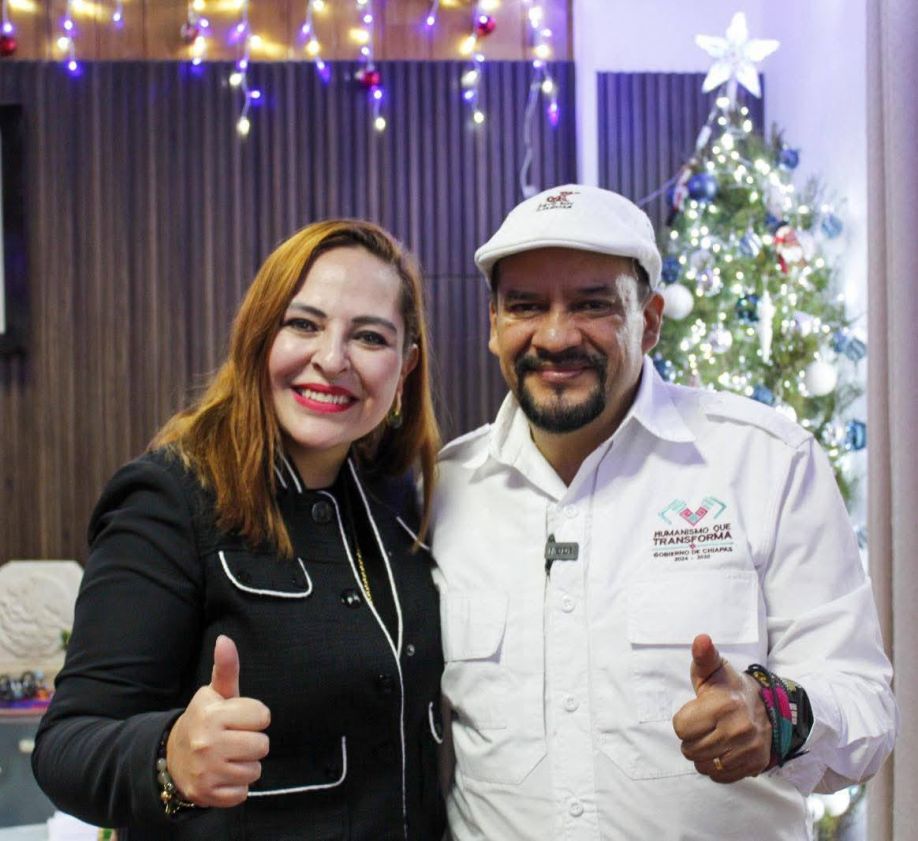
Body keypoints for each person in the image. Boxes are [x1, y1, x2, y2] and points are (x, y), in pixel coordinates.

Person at [430, 184, 897, 839]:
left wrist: (775, 714)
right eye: (526, 306)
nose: (555, 335)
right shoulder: (445, 488)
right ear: (494, 324)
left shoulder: (766, 460)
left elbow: (867, 705)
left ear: (649, 321)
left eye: (592, 304)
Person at [32, 220, 446, 840]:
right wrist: (169, 760)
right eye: (303, 324)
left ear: (405, 365)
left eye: (369, 336)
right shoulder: (172, 497)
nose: (332, 359)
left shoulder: (395, 497)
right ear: (259, 335)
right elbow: (66, 746)